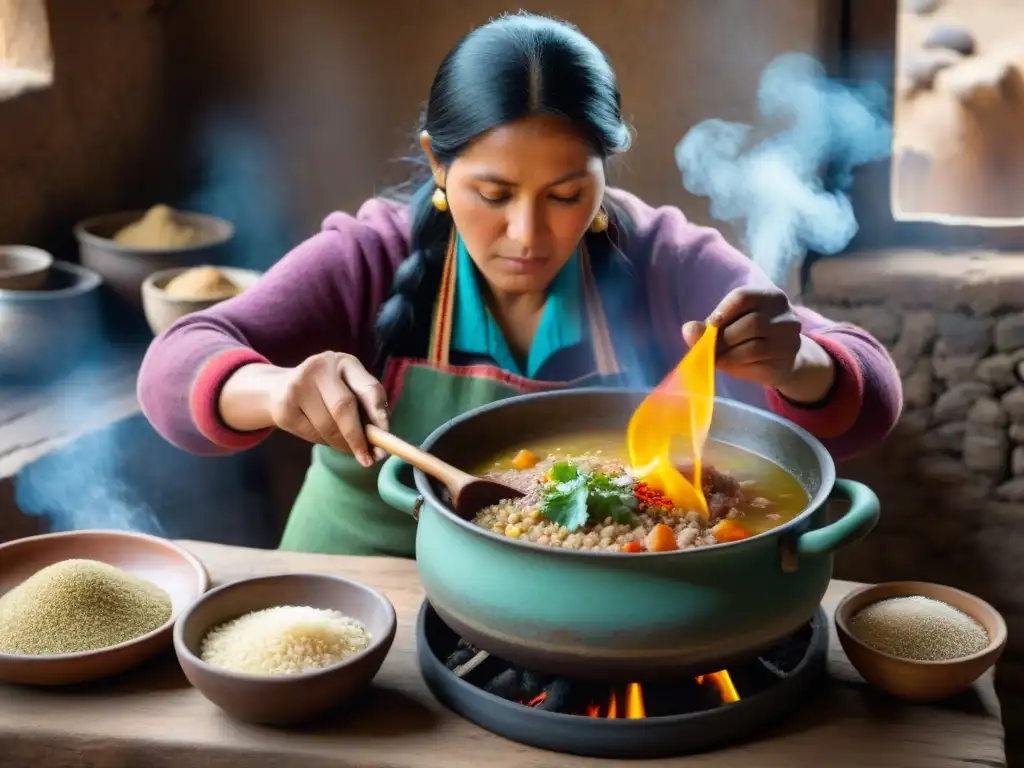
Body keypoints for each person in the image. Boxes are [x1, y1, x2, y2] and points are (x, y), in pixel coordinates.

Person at [138, 13, 903, 557]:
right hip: (357, 597)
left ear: (608, 166)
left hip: (562, 616)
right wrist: (276, 393)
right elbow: (176, 365)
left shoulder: (661, 256)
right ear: (438, 164)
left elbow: (870, 396)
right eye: (494, 195)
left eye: (568, 195)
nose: (528, 236)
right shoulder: (372, 254)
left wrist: (795, 364)